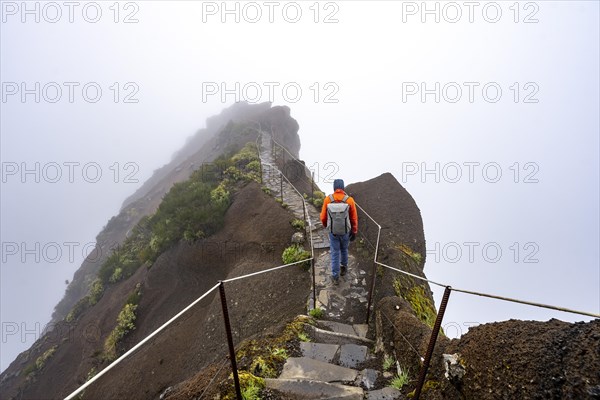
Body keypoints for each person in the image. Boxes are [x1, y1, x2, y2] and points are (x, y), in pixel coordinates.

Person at [320, 179, 358, 285]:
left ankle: (335, 276)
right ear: (343, 187)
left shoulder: (328, 199)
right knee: (344, 249)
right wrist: (354, 231)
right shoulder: (349, 200)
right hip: (345, 231)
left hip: (333, 232)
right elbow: (354, 218)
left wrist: (327, 226)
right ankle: (344, 268)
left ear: (334, 187)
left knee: (335, 252)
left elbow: (322, 217)